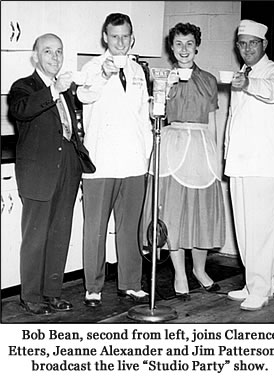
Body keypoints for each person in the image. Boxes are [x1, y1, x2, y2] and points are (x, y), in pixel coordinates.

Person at [9, 33, 95, 315]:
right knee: (35, 237)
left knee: (60, 234)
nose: (55, 57)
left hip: (67, 168)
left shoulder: (66, 90)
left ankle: (52, 293)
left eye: (59, 51)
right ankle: (31, 296)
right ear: (35, 57)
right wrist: (54, 90)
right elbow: (22, 111)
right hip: (38, 172)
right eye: (48, 52)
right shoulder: (23, 87)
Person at [144, 22, 226, 300]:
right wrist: (164, 91)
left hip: (201, 149)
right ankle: (180, 273)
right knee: (174, 215)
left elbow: (212, 121)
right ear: (171, 47)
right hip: (173, 147)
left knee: (199, 215)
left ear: (197, 46)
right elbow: (155, 114)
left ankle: (199, 271)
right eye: (178, 44)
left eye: (189, 43)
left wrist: (215, 158)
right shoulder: (163, 79)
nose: (183, 49)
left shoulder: (209, 80)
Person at [77, 13, 153, 307]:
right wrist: (105, 75)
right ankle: (93, 287)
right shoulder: (93, 68)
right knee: (95, 228)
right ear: (105, 38)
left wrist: (144, 152)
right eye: (114, 36)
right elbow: (84, 96)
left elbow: (142, 117)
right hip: (101, 162)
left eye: (125, 36)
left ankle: (131, 283)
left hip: (133, 162)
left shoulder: (137, 71)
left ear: (132, 38)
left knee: (130, 226)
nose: (120, 42)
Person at [224, 20, 274, 311]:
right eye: (242, 43)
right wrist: (227, 157)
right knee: (246, 230)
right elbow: (234, 122)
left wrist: (249, 84)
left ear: (264, 45)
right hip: (240, 163)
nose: (247, 48)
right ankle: (256, 285)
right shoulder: (241, 73)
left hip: (265, 165)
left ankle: (260, 289)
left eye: (253, 43)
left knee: (262, 230)